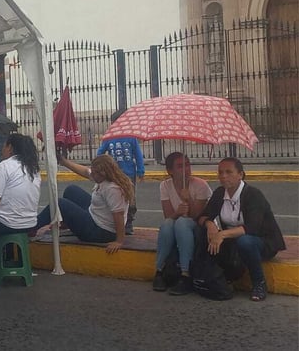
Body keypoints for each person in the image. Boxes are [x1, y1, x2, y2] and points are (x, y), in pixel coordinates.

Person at [196, 158, 286, 301]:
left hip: (260, 242)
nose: (223, 176)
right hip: (233, 241)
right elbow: (202, 217)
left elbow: (252, 228)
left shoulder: (253, 195)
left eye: (229, 172)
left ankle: (259, 283)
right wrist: (209, 224)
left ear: (240, 175)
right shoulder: (220, 193)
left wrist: (222, 234)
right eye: (220, 172)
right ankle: (207, 276)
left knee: (245, 241)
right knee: (202, 232)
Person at [36, 154, 133, 254]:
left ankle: (33, 227)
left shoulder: (112, 189)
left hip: (102, 232)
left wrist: (119, 241)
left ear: (103, 173)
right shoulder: (103, 178)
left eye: (94, 173)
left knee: (61, 204)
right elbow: (86, 171)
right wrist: (63, 161)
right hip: (95, 216)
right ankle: (67, 222)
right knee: (71, 190)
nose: (92, 175)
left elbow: (119, 215)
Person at [152, 152, 211, 295]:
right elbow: (169, 216)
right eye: (180, 166)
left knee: (182, 223)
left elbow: (198, 216)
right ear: (170, 171)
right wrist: (178, 212)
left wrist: (189, 198)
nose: (186, 169)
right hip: (178, 223)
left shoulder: (201, 185)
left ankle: (186, 274)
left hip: (199, 227)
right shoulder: (165, 186)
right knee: (167, 225)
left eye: (187, 164)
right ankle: (159, 271)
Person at [97, 109, 145, 234]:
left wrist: (141, 171)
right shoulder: (109, 137)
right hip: (114, 175)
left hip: (129, 174)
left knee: (130, 198)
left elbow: (138, 155)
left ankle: (128, 224)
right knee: (117, 198)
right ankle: (118, 224)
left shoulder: (131, 137)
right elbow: (100, 153)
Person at [0, 134, 41, 235]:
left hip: (7, 224)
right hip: (31, 224)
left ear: (10, 148)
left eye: (4, 146)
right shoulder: (34, 169)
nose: (2, 150)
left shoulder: (4, 166)